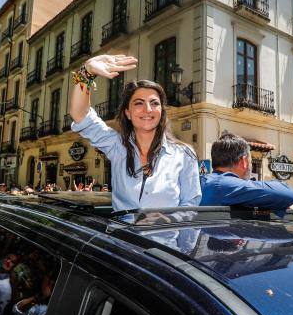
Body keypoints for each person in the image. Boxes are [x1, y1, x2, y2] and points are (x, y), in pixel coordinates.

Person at [69, 54, 201, 211]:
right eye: (139, 103)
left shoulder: (184, 154)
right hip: (120, 235)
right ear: (128, 113)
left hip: (166, 236)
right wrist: (87, 70)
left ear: (161, 111)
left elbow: (190, 209)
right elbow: (80, 115)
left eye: (154, 103)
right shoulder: (116, 146)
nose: (148, 109)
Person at [199, 133, 293, 215]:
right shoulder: (223, 185)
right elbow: (290, 194)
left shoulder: (205, 181)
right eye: (251, 161)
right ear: (244, 161)